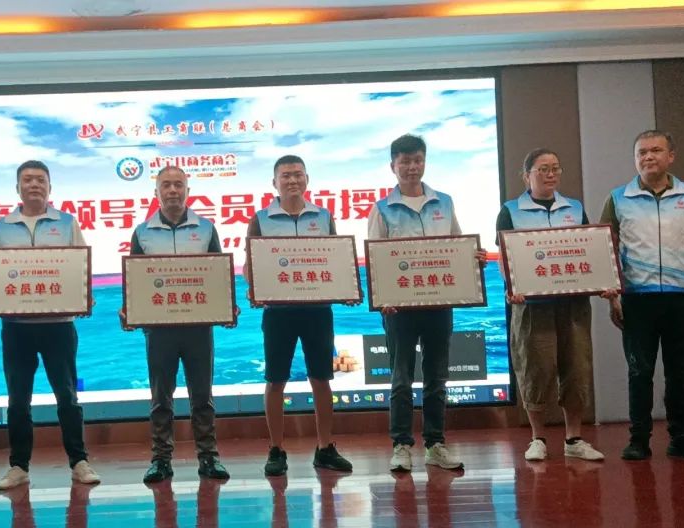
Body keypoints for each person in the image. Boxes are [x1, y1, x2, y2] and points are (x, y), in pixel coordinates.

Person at [367, 134, 487, 473]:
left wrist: (474, 257)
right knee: (401, 378)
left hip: (439, 304)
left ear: (424, 162)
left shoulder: (444, 203)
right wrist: (382, 297)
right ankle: (401, 445)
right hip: (399, 309)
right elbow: (375, 259)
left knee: (437, 376)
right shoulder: (382, 209)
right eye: (404, 161)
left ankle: (435, 444)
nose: (412, 167)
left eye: (417, 160)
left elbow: (458, 244)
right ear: (393, 166)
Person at [602, 130, 684, 461]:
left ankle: (681, 437)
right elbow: (606, 248)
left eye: (655, 150)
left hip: (683, 296)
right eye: (641, 152)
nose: (648, 157)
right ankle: (638, 439)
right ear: (634, 159)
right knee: (639, 372)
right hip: (637, 298)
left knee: (681, 373)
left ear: (671, 156)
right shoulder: (618, 198)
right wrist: (613, 297)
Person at [0, 160, 101, 489]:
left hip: (59, 325)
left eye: (40, 179)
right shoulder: (1, 227)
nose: (34, 184)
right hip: (16, 326)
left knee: (67, 396)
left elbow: (81, 266)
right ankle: (18, 466)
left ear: (50, 187)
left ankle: (79, 461)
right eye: (28, 179)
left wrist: (84, 296)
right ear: (18, 187)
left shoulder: (67, 223)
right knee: (17, 399)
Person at [244, 154, 353, 477]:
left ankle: (325, 447)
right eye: (286, 175)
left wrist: (345, 287)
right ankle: (276, 450)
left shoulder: (323, 216)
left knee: (321, 378)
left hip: (318, 310)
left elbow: (336, 260)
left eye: (298, 174)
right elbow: (250, 264)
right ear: (274, 182)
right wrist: (255, 289)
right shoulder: (261, 219)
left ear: (307, 179)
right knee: (275, 380)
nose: (292, 180)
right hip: (278, 312)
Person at [497, 149, 607, 462]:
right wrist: (512, 287)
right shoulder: (510, 210)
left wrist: (603, 279)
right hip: (532, 305)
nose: (550, 174)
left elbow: (589, 249)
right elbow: (504, 254)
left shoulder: (574, 207)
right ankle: (538, 438)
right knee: (536, 368)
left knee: (577, 367)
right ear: (526, 176)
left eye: (555, 168)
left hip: (573, 303)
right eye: (543, 169)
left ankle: (574, 439)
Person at [127, 166, 231, 483]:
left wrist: (227, 305)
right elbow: (135, 283)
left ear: (188, 190)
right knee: (161, 398)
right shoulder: (142, 232)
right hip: (159, 330)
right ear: (156, 192)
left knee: (202, 396)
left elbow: (218, 276)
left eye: (178, 185)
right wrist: (130, 310)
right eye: (166, 185)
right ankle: (160, 460)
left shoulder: (206, 228)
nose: (172, 190)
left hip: (198, 328)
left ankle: (209, 457)